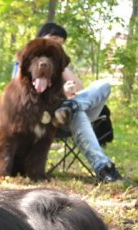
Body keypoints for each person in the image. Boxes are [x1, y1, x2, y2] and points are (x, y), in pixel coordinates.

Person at [36, 22, 123, 183]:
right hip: (49, 120)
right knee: (77, 114)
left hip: (66, 113)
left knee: (103, 85)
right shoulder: (28, 62)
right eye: (54, 39)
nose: (57, 45)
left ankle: (71, 107)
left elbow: (81, 88)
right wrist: (62, 94)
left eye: (61, 43)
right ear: (40, 38)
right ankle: (104, 168)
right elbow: (25, 97)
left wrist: (66, 85)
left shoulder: (60, 64)